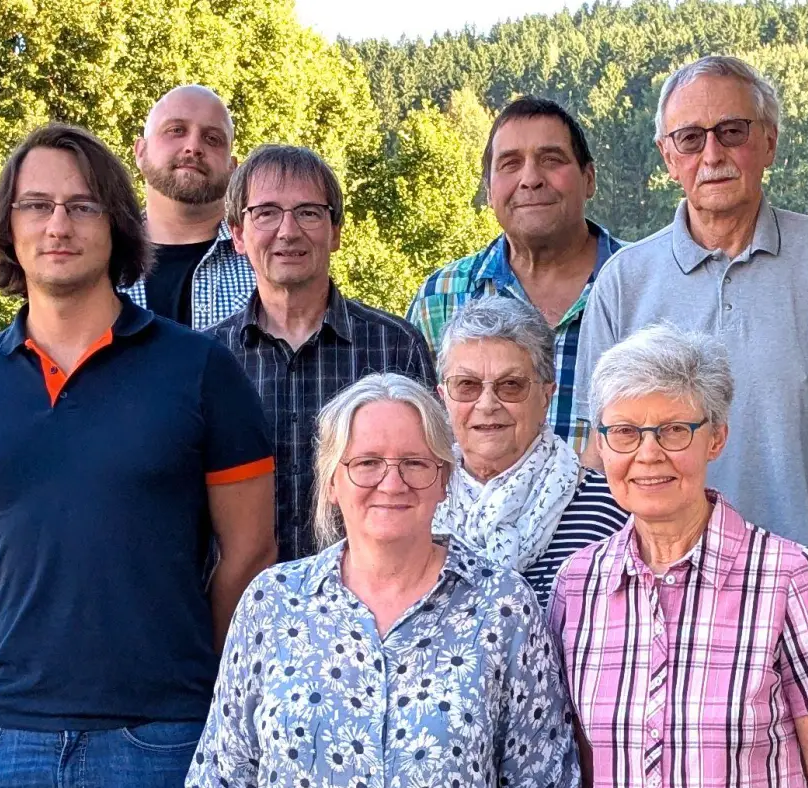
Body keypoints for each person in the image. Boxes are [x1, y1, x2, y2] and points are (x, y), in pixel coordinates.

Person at [570, 56, 808, 788]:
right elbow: (596, 447)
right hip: (665, 597)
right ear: (665, 155)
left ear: (769, 143)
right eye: (690, 137)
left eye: (732, 131)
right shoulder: (625, 279)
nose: (712, 152)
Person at [0, 123, 277, 788]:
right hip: (7, 734)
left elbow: (251, 549)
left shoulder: (199, 369)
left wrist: (185, 663)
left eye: (83, 206)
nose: (58, 225)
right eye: (37, 206)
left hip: (163, 736)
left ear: (118, 226)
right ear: (8, 227)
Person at [184, 373, 587, 788]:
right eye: (367, 463)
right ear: (331, 481)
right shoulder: (274, 604)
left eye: (415, 464)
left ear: (445, 479)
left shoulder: (502, 608)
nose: (391, 483)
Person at [553, 324, 808, 788]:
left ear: (715, 438)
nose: (648, 454)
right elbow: (575, 773)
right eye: (624, 432)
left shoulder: (787, 576)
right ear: (599, 445)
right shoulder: (578, 586)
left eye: (674, 430)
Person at [210, 144, 436, 563]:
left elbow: (432, 484)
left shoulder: (396, 347)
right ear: (238, 234)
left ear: (335, 233)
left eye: (309, 212)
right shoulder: (205, 360)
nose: (288, 230)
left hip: (368, 609)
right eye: (266, 213)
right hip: (235, 609)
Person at [409, 96, 624, 450]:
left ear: (589, 179)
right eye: (510, 164)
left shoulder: (644, 283)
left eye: (551, 160)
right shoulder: (441, 297)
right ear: (489, 192)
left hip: (617, 507)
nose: (530, 179)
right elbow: (416, 442)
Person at [431, 296, 627, 604]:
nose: (487, 404)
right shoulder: (417, 502)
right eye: (466, 385)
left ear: (546, 396)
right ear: (444, 397)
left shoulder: (609, 510)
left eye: (511, 385)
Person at [124, 85, 255, 329]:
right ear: (141, 152)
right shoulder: (100, 261)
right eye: (176, 130)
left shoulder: (264, 264)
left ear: (232, 168)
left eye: (212, 139)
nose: (193, 147)